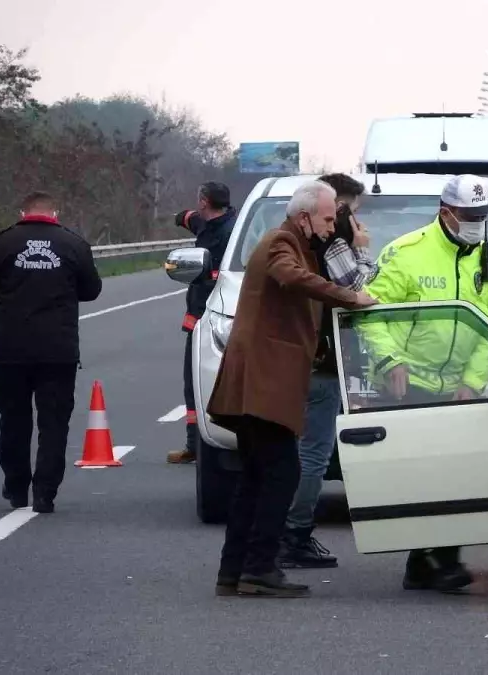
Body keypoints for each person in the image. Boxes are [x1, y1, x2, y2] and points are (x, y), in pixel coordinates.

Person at [206, 181, 376, 597]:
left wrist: (351, 264)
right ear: (303, 217)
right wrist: (351, 298)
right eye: (324, 217)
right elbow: (290, 276)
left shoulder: (306, 246)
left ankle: (236, 571)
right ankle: (260, 568)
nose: (329, 224)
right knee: (283, 473)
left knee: (256, 476)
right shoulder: (281, 241)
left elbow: (324, 283)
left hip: (261, 381)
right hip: (263, 381)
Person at [360, 174, 488, 592]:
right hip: (409, 382)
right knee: (431, 474)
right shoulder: (407, 254)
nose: (478, 223)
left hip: (457, 385)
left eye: (483, 216)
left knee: (456, 472)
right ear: (446, 214)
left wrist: (473, 380)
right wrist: (390, 361)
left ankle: (427, 563)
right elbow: (371, 313)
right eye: (470, 216)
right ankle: (437, 562)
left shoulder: (487, 259)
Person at [0, 191, 102, 513]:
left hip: (10, 350)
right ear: (54, 213)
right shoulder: (73, 245)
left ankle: (16, 489)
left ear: (23, 211)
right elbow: (92, 290)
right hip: (58, 351)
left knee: (13, 422)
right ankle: (45, 493)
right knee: (54, 423)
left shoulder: (2, 243)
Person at [277, 172, 377, 569]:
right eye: (348, 215)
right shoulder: (334, 244)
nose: (350, 224)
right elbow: (360, 289)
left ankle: (283, 531)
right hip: (319, 365)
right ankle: (294, 534)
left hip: (303, 360)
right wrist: (364, 249)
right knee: (313, 455)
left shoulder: (303, 242)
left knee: (297, 454)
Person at [167, 182, 237, 464]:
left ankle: (222, 441)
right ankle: (193, 444)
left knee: (210, 383)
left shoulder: (229, 233)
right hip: (199, 320)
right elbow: (189, 218)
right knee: (192, 385)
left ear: (204, 201)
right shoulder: (209, 224)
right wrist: (180, 216)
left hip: (220, 318)